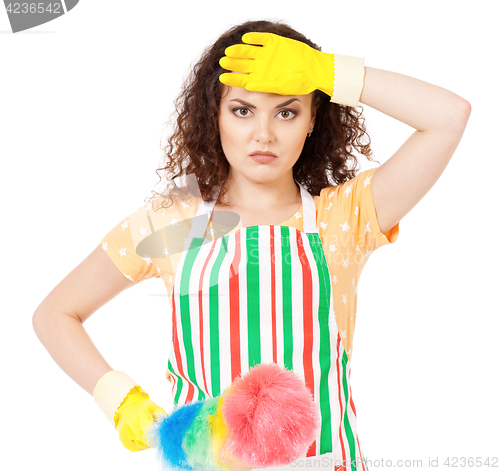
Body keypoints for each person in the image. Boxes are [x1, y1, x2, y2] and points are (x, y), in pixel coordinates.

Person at [32, 19, 470, 471]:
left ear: (312, 119)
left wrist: (327, 72)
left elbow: (448, 117)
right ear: (214, 115)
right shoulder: (175, 220)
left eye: (287, 111)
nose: (264, 134)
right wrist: (119, 398)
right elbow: (55, 314)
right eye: (242, 110)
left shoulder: (343, 217)